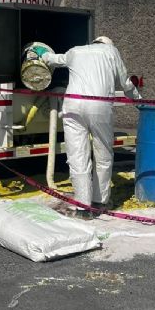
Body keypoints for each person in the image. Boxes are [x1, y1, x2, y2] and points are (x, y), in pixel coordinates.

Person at [32, 36, 141, 210]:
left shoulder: (75, 51)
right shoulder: (111, 52)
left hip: (73, 106)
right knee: (103, 155)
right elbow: (125, 83)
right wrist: (138, 99)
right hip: (99, 107)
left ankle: (82, 205)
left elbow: (53, 59)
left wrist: (41, 53)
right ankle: (100, 201)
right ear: (108, 45)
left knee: (77, 157)